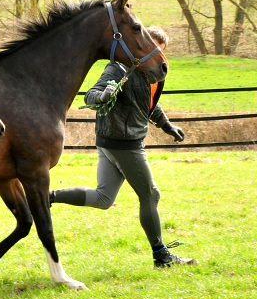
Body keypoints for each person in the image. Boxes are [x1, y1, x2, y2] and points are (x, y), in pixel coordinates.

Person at [51, 26, 198, 268]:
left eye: (160, 52)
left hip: (111, 142)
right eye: (152, 49)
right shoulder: (119, 68)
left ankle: (49, 197)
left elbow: (149, 105)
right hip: (124, 143)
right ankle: (161, 255)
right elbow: (91, 95)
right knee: (151, 195)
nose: (155, 57)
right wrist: (103, 96)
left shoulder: (151, 75)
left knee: (103, 198)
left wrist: (167, 126)